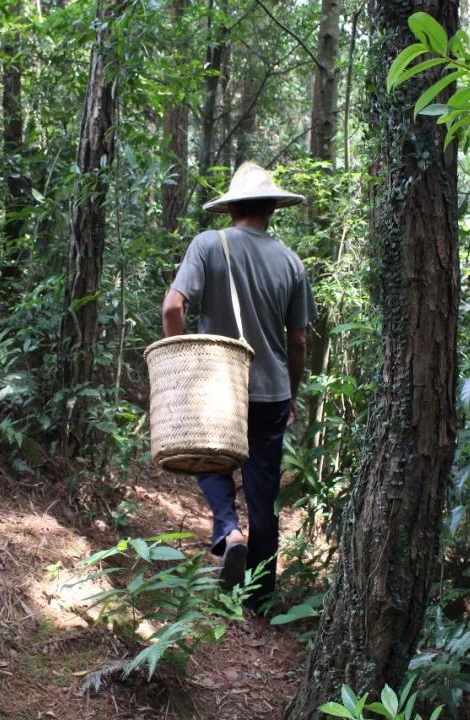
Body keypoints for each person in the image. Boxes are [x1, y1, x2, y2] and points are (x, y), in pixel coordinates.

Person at [161, 161, 318, 612]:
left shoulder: (208, 245)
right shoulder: (291, 261)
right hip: (271, 392)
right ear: (272, 208)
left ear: (230, 209)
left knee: (210, 461)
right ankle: (259, 597)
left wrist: (185, 365)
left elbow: (173, 309)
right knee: (263, 492)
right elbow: (300, 339)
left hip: (216, 386)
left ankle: (228, 530)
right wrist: (291, 390)